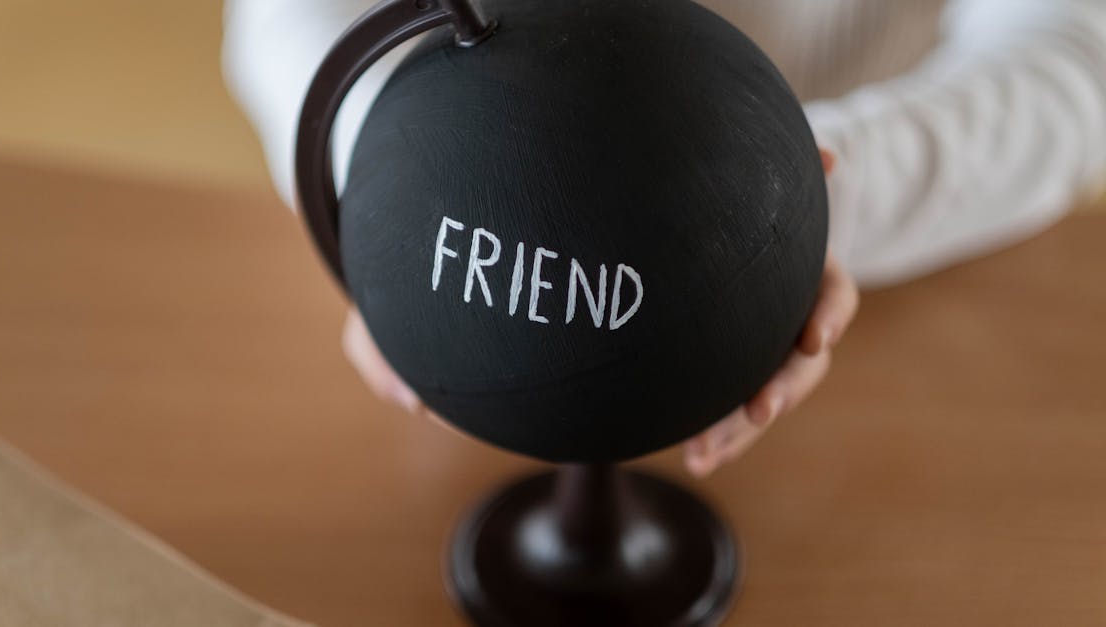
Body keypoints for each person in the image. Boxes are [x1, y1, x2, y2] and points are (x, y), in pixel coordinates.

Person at [222, 0, 1106, 476]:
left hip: (866, 296)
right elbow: (283, 16)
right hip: (476, 231)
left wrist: (804, 192)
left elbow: (1077, 57)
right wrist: (392, 185)